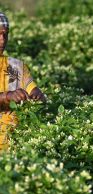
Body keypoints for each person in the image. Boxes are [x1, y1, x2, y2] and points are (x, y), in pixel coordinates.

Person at [0, 12, 46, 151]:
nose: (2, 40)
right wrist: (7, 97)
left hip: (15, 147)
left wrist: (38, 96)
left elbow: (33, 90)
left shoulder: (16, 66)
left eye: (5, 34)